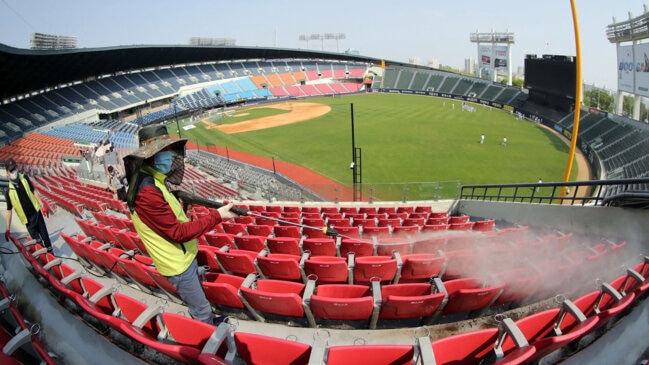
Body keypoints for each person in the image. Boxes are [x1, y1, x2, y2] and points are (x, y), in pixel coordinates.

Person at [123, 124, 238, 325]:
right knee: (200, 309)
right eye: (164, 151)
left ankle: (209, 321)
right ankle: (209, 341)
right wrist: (217, 216)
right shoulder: (147, 191)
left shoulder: (149, 179)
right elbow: (177, 233)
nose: (169, 155)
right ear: (150, 156)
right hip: (177, 264)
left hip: (183, 257)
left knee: (200, 301)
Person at [3, 158, 53, 251]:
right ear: (7, 173)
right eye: (11, 170)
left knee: (45, 236)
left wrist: (42, 205)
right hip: (27, 220)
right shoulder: (8, 191)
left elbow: (33, 191)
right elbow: (9, 211)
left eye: (14, 168)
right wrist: (7, 228)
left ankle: (51, 252)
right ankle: (45, 257)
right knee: (38, 242)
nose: (14, 171)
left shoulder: (24, 178)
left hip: (36, 213)